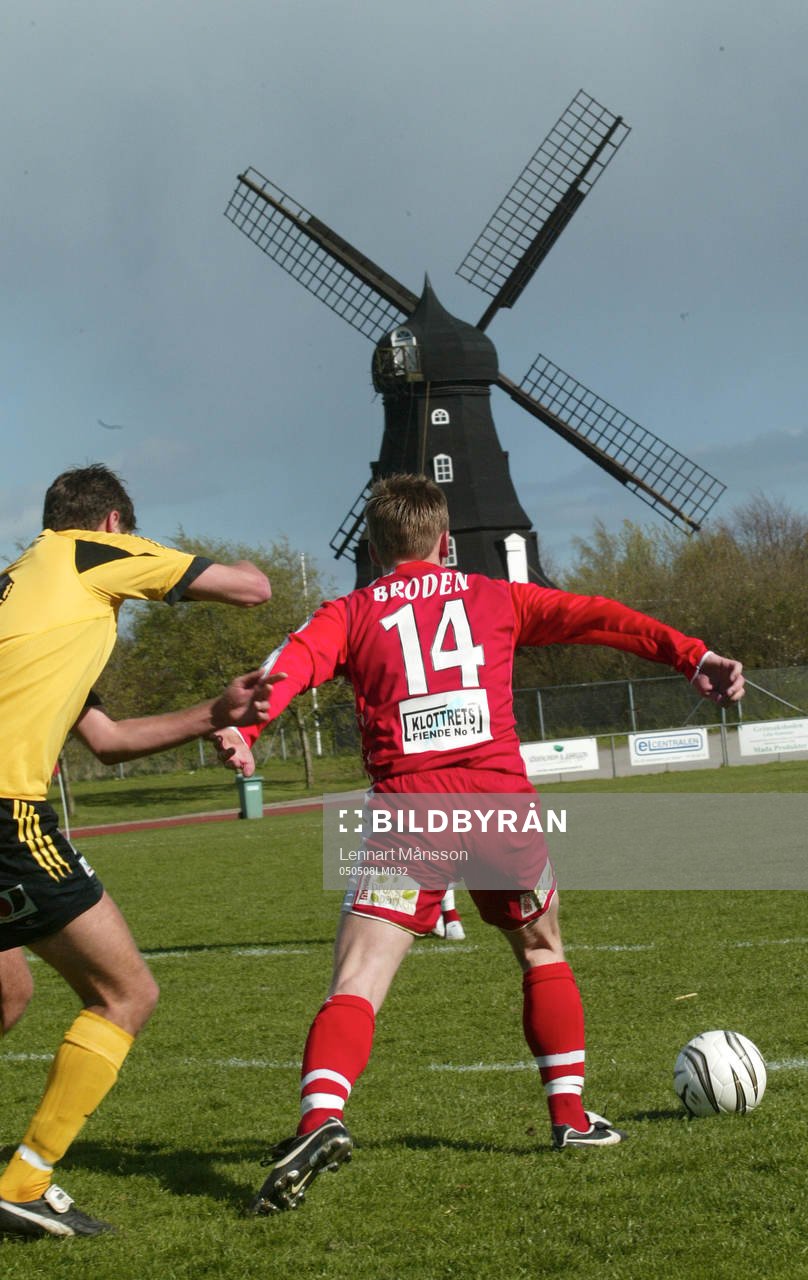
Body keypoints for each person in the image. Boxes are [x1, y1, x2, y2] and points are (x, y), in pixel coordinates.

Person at [213, 474, 745, 1214]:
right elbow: (600, 617)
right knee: (542, 951)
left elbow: (290, 664)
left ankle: (319, 1120)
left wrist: (248, 729)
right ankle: (569, 1119)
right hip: (500, 806)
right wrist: (693, 654)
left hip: (410, 809)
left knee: (358, 979)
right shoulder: (496, 596)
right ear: (446, 540)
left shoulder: (350, 612)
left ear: (373, 548)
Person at [0, 463, 271, 1240]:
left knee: (7, 996)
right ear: (114, 523)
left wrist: (212, 714)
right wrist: (226, 562)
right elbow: (253, 588)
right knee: (127, 993)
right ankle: (24, 1181)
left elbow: (109, 740)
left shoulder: (24, 588)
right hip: (6, 814)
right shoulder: (92, 553)